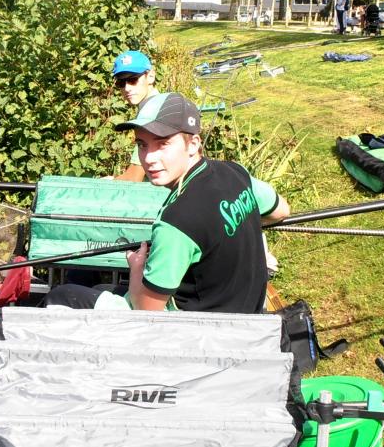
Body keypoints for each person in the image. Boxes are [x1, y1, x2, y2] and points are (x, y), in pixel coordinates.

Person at [44, 93, 291, 313]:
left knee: (61, 296)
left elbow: (147, 311)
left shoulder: (177, 221)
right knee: (100, 287)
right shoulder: (235, 173)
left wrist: (137, 269)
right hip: (245, 316)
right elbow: (280, 211)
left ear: (193, 144)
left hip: (192, 334)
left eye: (163, 144)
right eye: (142, 145)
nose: (149, 158)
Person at [111, 49, 159, 181]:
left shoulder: (151, 113)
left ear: (150, 76)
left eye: (133, 79)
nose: (126, 88)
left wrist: (110, 183)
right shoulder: (161, 102)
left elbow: (134, 177)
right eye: (121, 83)